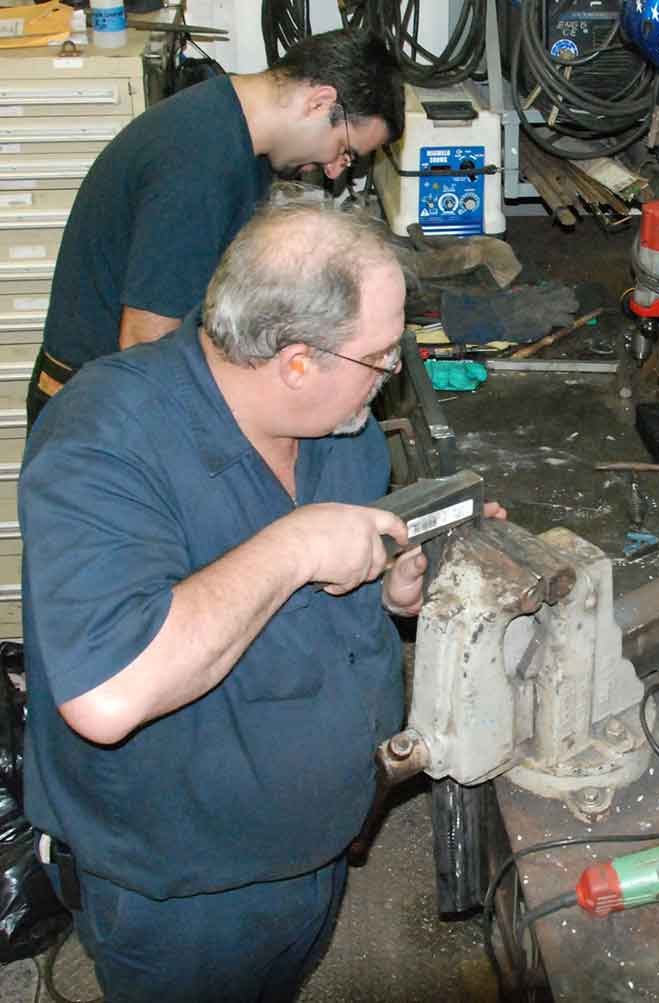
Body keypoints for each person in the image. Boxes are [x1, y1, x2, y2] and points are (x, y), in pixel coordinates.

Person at [20, 201, 432, 1002]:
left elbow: (317, 605)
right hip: (186, 899)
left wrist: (393, 592)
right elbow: (107, 692)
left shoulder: (341, 430)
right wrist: (298, 543)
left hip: (317, 845)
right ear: (297, 360)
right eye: (380, 357)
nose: (390, 379)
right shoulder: (100, 437)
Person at [26, 28, 405, 429]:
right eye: (345, 151)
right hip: (98, 418)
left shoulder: (232, 127)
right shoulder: (199, 161)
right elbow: (145, 340)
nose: (334, 169)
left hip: (122, 394)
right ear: (320, 102)